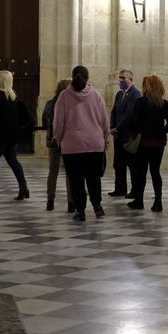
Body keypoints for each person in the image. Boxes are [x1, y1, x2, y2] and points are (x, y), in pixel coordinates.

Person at [52, 65, 110, 221]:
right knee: (94, 177)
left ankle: (81, 211)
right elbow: (104, 120)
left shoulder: (64, 96)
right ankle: (97, 207)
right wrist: (106, 138)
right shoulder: (96, 96)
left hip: (72, 145)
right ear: (87, 77)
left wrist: (57, 138)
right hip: (94, 143)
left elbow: (59, 121)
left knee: (76, 180)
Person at [125, 74, 168, 211]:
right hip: (159, 143)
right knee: (155, 171)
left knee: (141, 172)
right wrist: (162, 131)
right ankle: (158, 202)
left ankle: (139, 201)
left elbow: (134, 122)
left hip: (144, 142)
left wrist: (137, 131)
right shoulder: (163, 103)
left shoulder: (141, 102)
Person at [0, 70, 33, 201]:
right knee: (14, 162)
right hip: (11, 137)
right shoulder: (14, 98)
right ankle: (23, 188)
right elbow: (26, 119)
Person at [40, 79, 73, 212]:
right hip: (68, 142)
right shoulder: (70, 104)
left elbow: (43, 122)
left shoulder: (50, 103)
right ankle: (71, 203)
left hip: (53, 141)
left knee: (53, 172)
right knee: (70, 173)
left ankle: (50, 200)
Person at [108, 69, 142, 197]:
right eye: (120, 78)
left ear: (130, 79)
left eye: (123, 78)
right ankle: (120, 189)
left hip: (127, 135)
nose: (121, 80)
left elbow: (130, 115)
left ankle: (134, 191)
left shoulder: (135, 94)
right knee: (118, 164)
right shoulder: (119, 94)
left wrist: (118, 128)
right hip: (118, 135)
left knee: (132, 165)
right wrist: (112, 126)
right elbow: (114, 111)